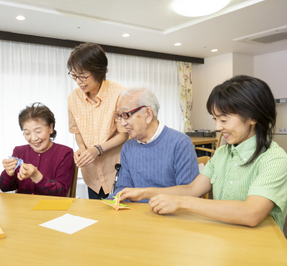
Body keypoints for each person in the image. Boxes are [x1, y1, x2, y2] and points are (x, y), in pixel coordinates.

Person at [119, 75, 287, 231]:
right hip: (223, 237)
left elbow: (251, 213)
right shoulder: (222, 153)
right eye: (215, 119)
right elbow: (192, 189)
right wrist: (143, 192)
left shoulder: (274, 159)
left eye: (223, 120)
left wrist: (181, 203)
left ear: (252, 117)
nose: (218, 127)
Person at [108, 87, 199, 203]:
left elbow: (189, 194)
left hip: (170, 217)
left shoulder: (180, 143)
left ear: (148, 114)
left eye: (126, 115)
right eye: (120, 116)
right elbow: (123, 189)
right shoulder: (128, 147)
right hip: (135, 216)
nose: (122, 123)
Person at [67, 42, 129, 199]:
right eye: (74, 75)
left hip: (117, 170)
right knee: (98, 218)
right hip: (91, 174)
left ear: (98, 70)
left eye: (83, 75)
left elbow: (124, 134)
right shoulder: (73, 98)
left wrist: (98, 149)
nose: (78, 81)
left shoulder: (119, 94)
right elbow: (77, 131)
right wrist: (82, 147)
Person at [0, 103, 74, 196]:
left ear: (50, 128)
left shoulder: (65, 153)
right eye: (27, 133)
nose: (33, 138)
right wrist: (8, 173)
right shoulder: (19, 151)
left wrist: (36, 176)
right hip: (22, 207)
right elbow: (4, 188)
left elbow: (61, 192)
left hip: (51, 208)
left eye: (38, 131)